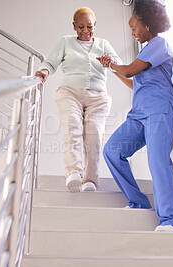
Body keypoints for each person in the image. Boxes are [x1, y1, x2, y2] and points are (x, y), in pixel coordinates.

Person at [97, 0, 173, 232]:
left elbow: (128, 70)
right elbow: (132, 81)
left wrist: (115, 65)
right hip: (139, 113)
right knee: (112, 151)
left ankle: (170, 220)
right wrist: (113, 68)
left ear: (147, 24)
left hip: (160, 109)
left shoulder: (159, 44)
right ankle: (138, 202)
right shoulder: (146, 52)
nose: (133, 32)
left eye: (134, 27)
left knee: (157, 161)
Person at [35, 7, 121, 192]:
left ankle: (90, 180)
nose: (85, 30)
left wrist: (110, 61)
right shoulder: (65, 42)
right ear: (74, 26)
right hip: (70, 92)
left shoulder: (103, 43)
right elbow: (51, 62)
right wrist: (44, 71)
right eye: (81, 26)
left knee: (94, 135)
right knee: (72, 127)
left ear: (95, 25)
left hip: (97, 96)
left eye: (89, 26)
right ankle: (74, 172)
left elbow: (118, 62)